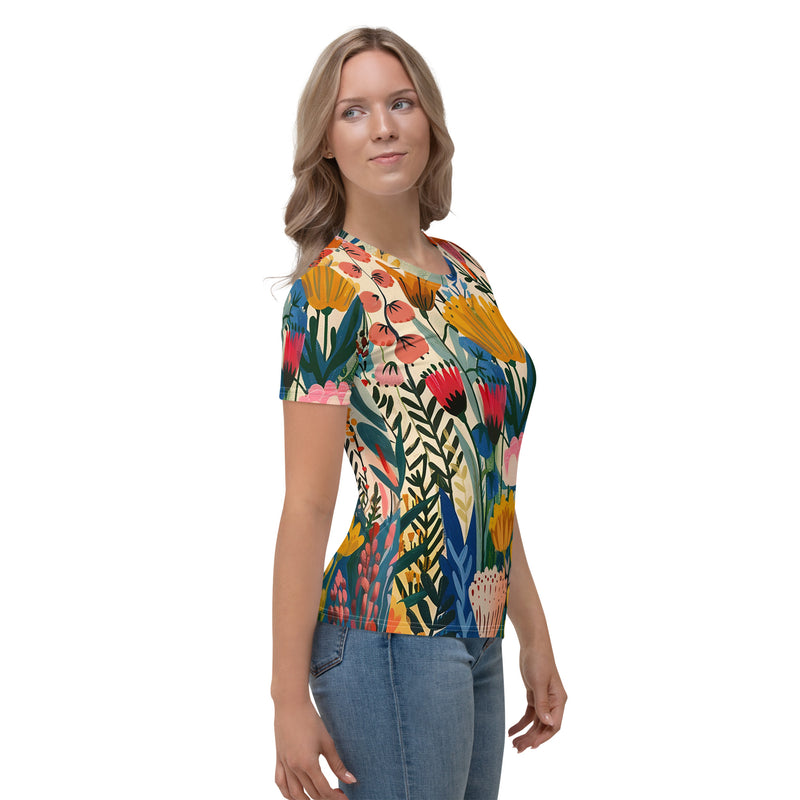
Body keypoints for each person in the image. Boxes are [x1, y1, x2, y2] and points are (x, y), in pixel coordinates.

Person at [271, 27, 567, 800]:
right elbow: (307, 504)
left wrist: (532, 634)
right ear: (327, 141)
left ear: (428, 119)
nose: (382, 126)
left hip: (476, 630)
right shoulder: (329, 293)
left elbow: (483, 476)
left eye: (400, 103)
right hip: (386, 634)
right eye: (354, 111)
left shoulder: (466, 273)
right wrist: (285, 700)